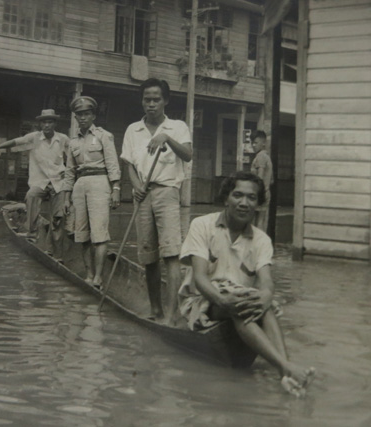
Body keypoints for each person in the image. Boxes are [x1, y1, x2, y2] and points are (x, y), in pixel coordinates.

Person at [178, 171, 315, 397]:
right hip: (202, 302)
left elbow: (267, 282)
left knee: (262, 302)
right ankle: (285, 367)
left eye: (251, 198)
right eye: (238, 196)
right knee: (242, 303)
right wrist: (223, 299)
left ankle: (285, 370)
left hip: (238, 300)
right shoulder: (202, 225)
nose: (244, 203)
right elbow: (201, 278)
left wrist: (265, 297)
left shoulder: (261, 240)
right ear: (226, 199)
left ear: (258, 205)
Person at [120, 78, 193, 324]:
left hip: (168, 192)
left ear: (166, 101)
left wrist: (166, 139)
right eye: (147, 100)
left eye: (156, 99)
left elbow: (188, 155)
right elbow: (128, 164)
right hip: (142, 194)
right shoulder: (133, 129)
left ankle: (172, 315)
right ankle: (155, 310)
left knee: (172, 254)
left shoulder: (178, 127)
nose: (151, 104)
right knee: (149, 256)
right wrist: (136, 186)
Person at [0, 109, 72, 258]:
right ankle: (32, 234)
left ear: (55, 123)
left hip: (58, 182)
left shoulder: (63, 139)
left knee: (58, 218)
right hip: (40, 182)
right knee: (31, 196)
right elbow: (15, 142)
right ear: (40, 124)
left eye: (50, 122)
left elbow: (73, 156)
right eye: (44, 122)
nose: (47, 125)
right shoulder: (34, 138)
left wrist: (69, 170)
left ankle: (53, 249)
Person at [64, 96, 121, 288]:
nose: (82, 118)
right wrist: (66, 197)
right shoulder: (73, 142)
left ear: (93, 115)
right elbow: (70, 171)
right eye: (79, 115)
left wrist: (116, 188)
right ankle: (88, 275)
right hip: (80, 186)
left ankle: (99, 277)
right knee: (82, 234)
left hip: (100, 183)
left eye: (86, 114)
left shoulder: (104, 136)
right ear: (75, 117)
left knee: (99, 233)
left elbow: (113, 163)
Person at [250, 130, 273, 234]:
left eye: (256, 142)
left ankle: (254, 245)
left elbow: (259, 176)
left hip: (258, 192)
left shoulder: (260, 157)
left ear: (263, 143)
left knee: (254, 222)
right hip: (266, 192)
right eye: (252, 143)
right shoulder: (267, 157)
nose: (253, 145)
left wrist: (255, 192)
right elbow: (271, 179)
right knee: (262, 221)